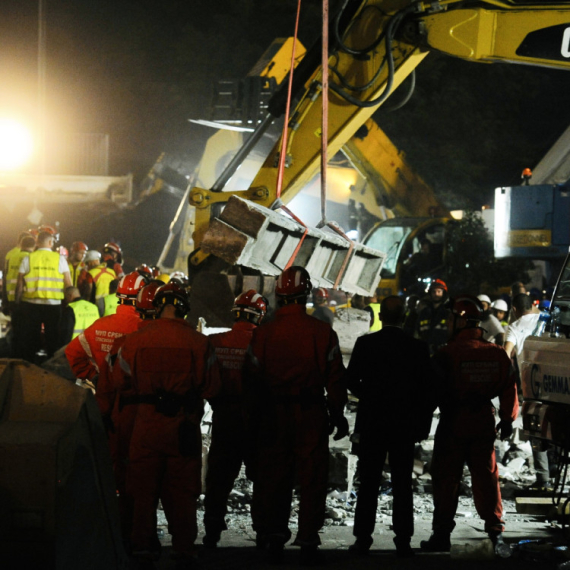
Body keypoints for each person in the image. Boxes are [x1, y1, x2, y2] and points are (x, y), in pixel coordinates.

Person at [244, 266, 348, 565]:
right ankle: (307, 535)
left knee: (274, 475)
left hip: (273, 414)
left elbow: (250, 380)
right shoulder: (322, 332)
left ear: (278, 295)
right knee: (312, 477)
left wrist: (251, 418)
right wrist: (338, 414)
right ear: (306, 295)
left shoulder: (263, 334)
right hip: (310, 413)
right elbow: (335, 378)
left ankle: (274, 532)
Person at [117, 282, 220, 569]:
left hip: (146, 424)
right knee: (182, 490)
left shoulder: (134, 340)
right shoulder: (200, 343)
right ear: (185, 308)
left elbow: (119, 382)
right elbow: (212, 388)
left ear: (158, 306)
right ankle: (184, 547)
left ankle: (142, 547)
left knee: (143, 489)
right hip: (183, 426)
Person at [421, 295, 518, 554]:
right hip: (483, 422)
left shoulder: (446, 354)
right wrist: (508, 419)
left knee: (446, 479)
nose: (447, 324)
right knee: (487, 478)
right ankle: (496, 533)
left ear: (460, 320)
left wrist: (419, 422)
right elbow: (509, 387)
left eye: (450, 319)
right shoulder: (496, 354)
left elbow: (431, 392)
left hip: (453, 422)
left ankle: (441, 535)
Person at [345, 295, 434, 557]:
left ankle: (363, 539)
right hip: (404, 424)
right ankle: (403, 540)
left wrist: (370, 395)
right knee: (402, 482)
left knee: (369, 481)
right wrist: (420, 421)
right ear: (405, 317)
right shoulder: (417, 347)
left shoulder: (365, 343)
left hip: (373, 421)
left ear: (380, 316)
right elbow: (427, 390)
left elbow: (350, 380)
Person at [96, 279, 164, 546]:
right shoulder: (190, 339)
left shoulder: (125, 341)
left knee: (128, 476)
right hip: (169, 418)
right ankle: (178, 547)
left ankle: (131, 534)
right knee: (168, 481)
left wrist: (104, 413)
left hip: (126, 415)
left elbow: (108, 383)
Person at [203, 289, 268, 548]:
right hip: (257, 421)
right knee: (262, 477)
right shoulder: (265, 342)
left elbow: (206, 383)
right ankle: (263, 530)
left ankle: (212, 529)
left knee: (218, 476)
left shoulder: (215, 342)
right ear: (259, 316)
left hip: (224, 418)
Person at [65, 271, 146, 391]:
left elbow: (72, 351)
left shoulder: (100, 324)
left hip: (103, 396)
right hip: (133, 399)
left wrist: (94, 377)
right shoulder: (144, 329)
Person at [504, 293, 548, 489]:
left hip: (531, 384)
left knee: (536, 429)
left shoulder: (513, 327)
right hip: (556, 380)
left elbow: (506, 354)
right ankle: (554, 471)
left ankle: (543, 479)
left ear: (514, 310)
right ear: (532, 306)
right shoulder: (546, 319)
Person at [15, 230, 72, 362]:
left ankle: (30, 366)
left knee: (31, 337)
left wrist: (17, 303)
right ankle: (52, 365)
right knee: (52, 337)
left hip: (30, 304)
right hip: (53, 306)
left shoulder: (28, 258)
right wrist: (69, 304)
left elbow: (19, 284)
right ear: (51, 242)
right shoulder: (60, 259)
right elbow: (68, 284)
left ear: (37, 242)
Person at [3, 235, 35, 356]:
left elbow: (6, 277)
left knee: (15, 329)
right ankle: (23, 356)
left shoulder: (11, 256)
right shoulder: (29, 257)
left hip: (11, 298)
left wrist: (5, 299)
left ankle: (12, 354)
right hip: (23, 298)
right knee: (25, 331)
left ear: (20, 244)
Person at [416, 278, 450, 355]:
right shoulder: (424, 313)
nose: (436, 294)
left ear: (444, 293)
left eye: (439, 291)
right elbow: (418, 331)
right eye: (434, 292)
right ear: (430, 293)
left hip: (444, 352)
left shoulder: (448, 313)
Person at [2, 231, 33, 314]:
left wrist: (4, 301)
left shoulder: (10, 254)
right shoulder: (30, 255)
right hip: (24, 296)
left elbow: (5, 277)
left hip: (10, 296)